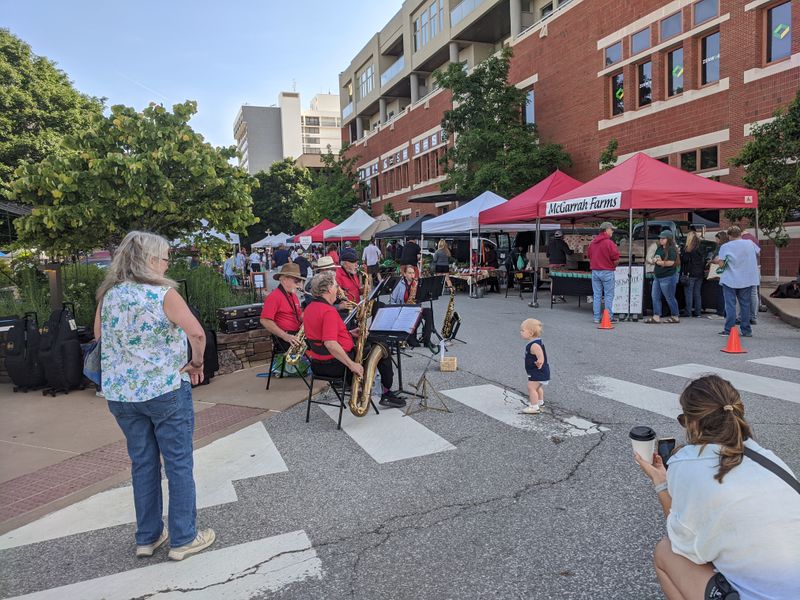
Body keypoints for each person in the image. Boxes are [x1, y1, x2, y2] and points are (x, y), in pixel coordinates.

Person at [93, 231, 214, 562]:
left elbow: (98, 337)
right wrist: (196, 362)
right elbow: (197, 333)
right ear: (149, 260)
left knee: (143, 463)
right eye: (164, 258)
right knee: (178, 463)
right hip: (164, 389)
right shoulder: (164, 294)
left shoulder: (110, 295)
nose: (166, 264)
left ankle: (147, 537)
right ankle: (183, 538)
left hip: (122, 395)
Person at [634, 375, 800, 600]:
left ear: (693, 422)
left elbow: (684, 544)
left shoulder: (685, 463)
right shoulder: (769, 458)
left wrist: (661, 483)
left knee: (664, 552)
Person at [304, 271, 404, 408]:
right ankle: (386, 393)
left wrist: (349, 333)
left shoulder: (310, 308)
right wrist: (352, 365)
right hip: (336, 365)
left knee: (373, 344)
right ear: (328, 289)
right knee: (382, 347)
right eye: (336, 286)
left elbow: (321, 337)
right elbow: (330, 343)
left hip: (318, 364)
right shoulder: (328, 311)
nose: (338, 289)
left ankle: (364, 387)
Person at [714, 226, 759, 338]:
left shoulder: (725, 246)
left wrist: (717, 260)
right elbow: (757, 252)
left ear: (729, 236)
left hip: (730, 279)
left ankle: (729, 329)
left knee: (730, 305)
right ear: (740, 234)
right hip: (747, 278)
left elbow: (722, 264)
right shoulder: (749, 243)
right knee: (745, 305)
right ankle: (746, 330)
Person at [389, 264, 437, 352]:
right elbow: (392, 300)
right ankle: (411, 338)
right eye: (409, 273)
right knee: (416, 315)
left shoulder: (416, 284)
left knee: (428, 312)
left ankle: (427, 340)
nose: (412, 275)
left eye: (413, 273)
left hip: (414, 307)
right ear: (404, 274)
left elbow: (421, 298)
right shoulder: (399, 284)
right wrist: (398, 309)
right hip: (402, 309)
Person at [260, 263, 304, 354]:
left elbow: (299, 317)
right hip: (285, 340)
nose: (299, 284)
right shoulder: (274, 297)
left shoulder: (293, 296)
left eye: (299, 281)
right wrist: (285, 336)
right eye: (296, 281)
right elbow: (264, 320)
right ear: (284, 279)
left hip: (295, 337)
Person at [587, 222, 620, 324]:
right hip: (607, 271)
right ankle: (608, 317)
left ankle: (596, 317)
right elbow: (616, 258)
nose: (613, 231)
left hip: (595, 271)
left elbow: (589, 256)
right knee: (608, 295)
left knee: (596, 295)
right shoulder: (609, 243)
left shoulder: (592, 243)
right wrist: (613, 266)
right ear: (606, 230)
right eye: (611, 229)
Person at [646, 230, 681, 324]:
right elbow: (656, 257)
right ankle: (656, 316)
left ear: (668, 239)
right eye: (660, 238)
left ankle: (675, 316)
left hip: (668, 277)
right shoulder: (660, 248)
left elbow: (671, 262)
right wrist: (654, 260)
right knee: (655, 296)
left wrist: (660, 262)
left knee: (669, 297)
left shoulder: (671, 249)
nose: (661, 240)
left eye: (663, 238)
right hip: (657, 276)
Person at [520, 318, 549, 415]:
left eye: (523, 330)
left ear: (531, 333)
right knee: (537, 388)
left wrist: (539, 361)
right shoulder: (535, 343)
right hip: (539, 371)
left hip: (538, 371)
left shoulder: (534, 345)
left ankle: (534, 406)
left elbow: (541, 356)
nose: (521, 332)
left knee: (531, 387)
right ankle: (540, 402)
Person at [680, 231, 704, 318]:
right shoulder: (700, 247)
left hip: (690, 273)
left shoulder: (688, 249)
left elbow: (684, 260)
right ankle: (698, 312)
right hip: (699, 273)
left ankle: (688, 312)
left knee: (688, 293)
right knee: (697, 293)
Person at [709, 231, 729, 319]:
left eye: (717, 239)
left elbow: (717, 259)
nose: (716, 241)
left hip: (719, 272)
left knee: (720, 293)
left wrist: (711, 261)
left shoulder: (720, 247)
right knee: (725, 294)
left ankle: (720, 312)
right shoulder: (728, 246)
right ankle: (724, 312)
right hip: (726, 272)